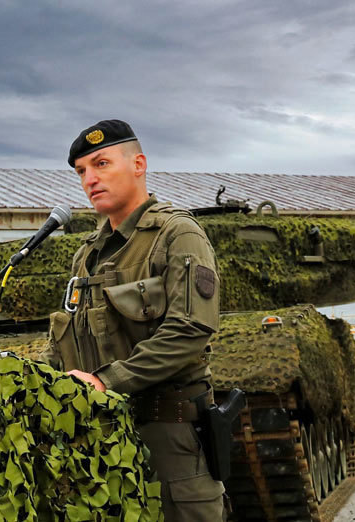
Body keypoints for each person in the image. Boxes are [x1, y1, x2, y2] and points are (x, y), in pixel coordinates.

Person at [40, 119, 224, 520]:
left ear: (138, 164)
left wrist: (107, 381)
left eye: (101, 163)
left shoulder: (177, 234)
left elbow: (189, 329)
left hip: (168, 437)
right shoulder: (86, 254)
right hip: (99, 444)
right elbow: (65, 341)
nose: (90, 178)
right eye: (81, 171)